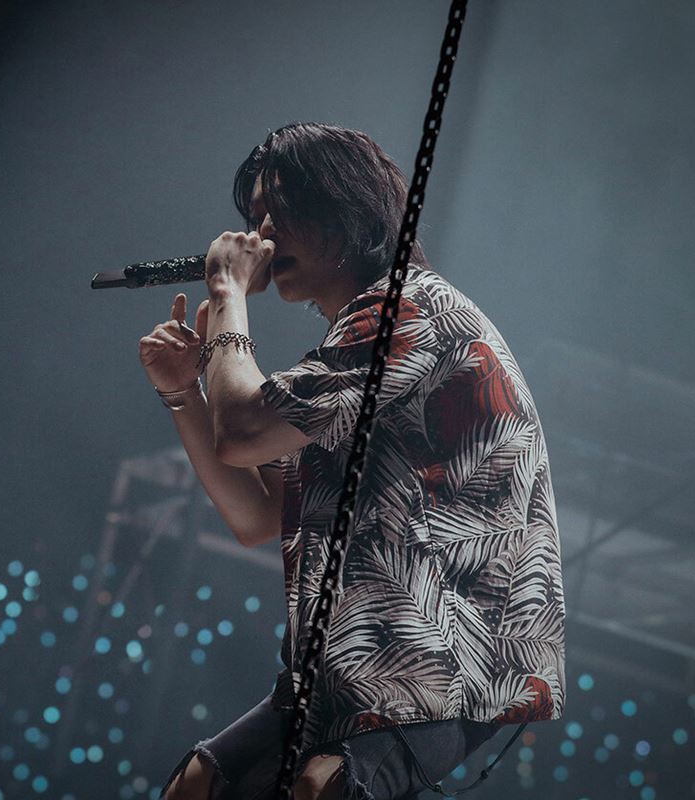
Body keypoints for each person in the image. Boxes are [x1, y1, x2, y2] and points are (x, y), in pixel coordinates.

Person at [138, 122, 566, 800]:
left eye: (282, 212)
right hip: (350, 661)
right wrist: (183, 392)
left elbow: (243, 430)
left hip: (449, 657)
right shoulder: (353, 349)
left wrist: (228, 296)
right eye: (255, 219)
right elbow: (256, 514)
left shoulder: (409, 312)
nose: (263, 235)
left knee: (322, 789)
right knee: (198, 786)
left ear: (348, 210)